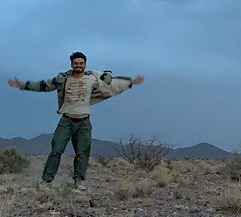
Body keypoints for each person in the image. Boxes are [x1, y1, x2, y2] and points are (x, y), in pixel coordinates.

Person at [8, 52, 144, 188]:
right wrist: (22, 85)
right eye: (76, 63)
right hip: (66, 120)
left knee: (83, 152)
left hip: (84, 121)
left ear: (85, 64)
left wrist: (130, 83)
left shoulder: (92, 79)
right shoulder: (63, 79)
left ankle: (78, 181)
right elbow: (44, 85)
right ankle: (46, 180)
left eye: (81, 63)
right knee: (56, 149)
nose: (78, 65)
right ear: (71, 64)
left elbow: (113, 86)